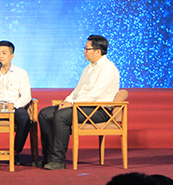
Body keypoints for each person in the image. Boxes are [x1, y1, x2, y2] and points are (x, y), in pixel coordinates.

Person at [36, 35, 119, 170]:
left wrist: (73, 104)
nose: (84, 51)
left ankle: (57, 160)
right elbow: (77, 90)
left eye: (87, 49)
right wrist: (67, 101)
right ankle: (48, 157)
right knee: (45, 114)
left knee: (62, 116)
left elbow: (94, 94)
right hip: (82, 106)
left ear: (98, 51)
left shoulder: (108, 68)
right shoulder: (89, 68)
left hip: (99, 110)